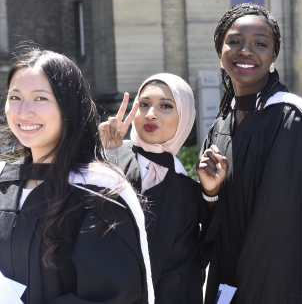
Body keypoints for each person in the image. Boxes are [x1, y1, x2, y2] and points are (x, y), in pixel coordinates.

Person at [196, 3, 302, 304]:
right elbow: (219, 219)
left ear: (273, 55)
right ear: (220, 49)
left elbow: (282, 222)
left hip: (278, 286)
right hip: (229, 278)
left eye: (260, 44)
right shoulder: (221, 124)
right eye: (234, 41)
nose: (245, 51)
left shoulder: (289, 118)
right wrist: (211, 194)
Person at [0, 49, 154, 303]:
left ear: (68, 106)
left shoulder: (100, 193)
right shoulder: (7, 183)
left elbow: (113, 296)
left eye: (40, 99)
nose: (23, 111)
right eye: (15, 97)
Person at [99, 73, 203, 303]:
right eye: (144, 104)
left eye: (166, 106)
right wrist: (101, 155)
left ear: (184, 117)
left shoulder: (186, 192)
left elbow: (179, 274)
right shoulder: (107, 161)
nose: (151, 113)